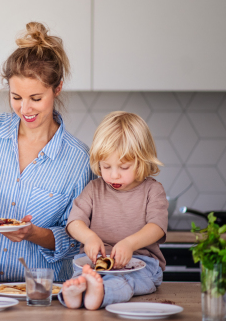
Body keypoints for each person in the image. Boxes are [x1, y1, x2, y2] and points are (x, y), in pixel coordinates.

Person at [0, 22, 95, 282]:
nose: (25, 108)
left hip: (42, 294)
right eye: (16, 97)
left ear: (57, 88)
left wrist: (33, 233)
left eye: (36, 98)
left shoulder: (79, 160)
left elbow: (75, 241)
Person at [60, 111, 168, 310]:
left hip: (142, 264)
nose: (114, 175)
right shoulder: (94, 189)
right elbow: (74, 222)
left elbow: (157, 227)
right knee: (81, 277)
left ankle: (100, 294)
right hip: (95, 264)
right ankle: (75, 294)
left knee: (125, 283)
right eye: (106, 166)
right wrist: (90, 238)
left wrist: (130, 243)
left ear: (142, 160)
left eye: (124, 167)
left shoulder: (152, 190)